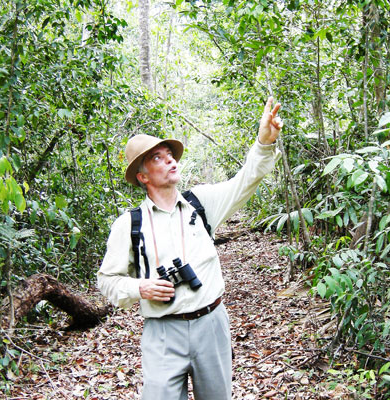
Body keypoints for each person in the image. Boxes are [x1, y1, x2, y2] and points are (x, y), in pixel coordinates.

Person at [97, 97, 283, 399]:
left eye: (170, 155)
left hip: (211, 323)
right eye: (158, 158)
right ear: (143, 177)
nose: (171, 161)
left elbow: (245, 181)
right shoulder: (129, 224)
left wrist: (264, 142)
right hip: (162, 332)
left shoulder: (201, 203)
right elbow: (107, 280)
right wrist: (140, 287)